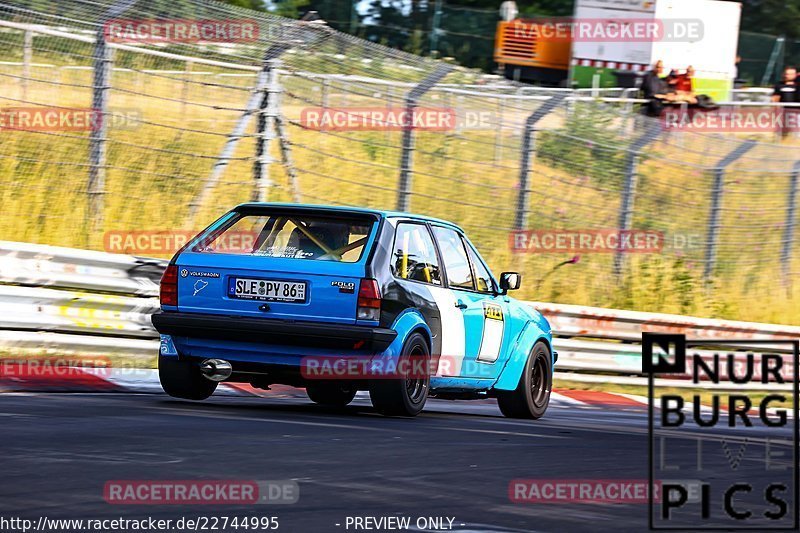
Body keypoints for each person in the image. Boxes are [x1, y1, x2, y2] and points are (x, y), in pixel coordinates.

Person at [772, 66, 798, 138]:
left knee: (796, 130)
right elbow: (775, 98)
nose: (789, 76)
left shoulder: (798, 85)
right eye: (788, 74)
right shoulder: (779, 85)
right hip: (783, 111)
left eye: (792, 74)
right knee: (781, 129)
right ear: (784, 74)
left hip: (797, 111)